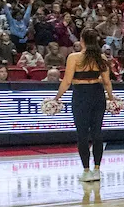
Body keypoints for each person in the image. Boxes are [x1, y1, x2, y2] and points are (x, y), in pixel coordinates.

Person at [50, 28, 118, 182]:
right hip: (98, 94)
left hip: (81, 95)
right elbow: (107, 82)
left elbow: (67, 81)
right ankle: (97, 169)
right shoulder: (101, 58)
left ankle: (86, 171)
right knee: (97, 132)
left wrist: (56, 98)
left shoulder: (74, 57)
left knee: (82, 133)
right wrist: (111, 98)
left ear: (82, 41)